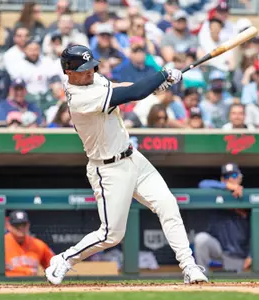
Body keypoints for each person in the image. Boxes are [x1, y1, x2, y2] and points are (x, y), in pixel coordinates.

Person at [45, 45, 208, 285]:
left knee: (167, 204)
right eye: (83, 69)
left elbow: (121, 88)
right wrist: (162, 75)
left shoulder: (94, 80)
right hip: (108, 169)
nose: (90, 72)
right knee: (111, 235)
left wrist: (154, 87)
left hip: (133, 158)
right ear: (68, 72)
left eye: (92, 67)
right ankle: (64, 259)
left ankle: (189, 266)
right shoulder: (80, 98)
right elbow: (131, 95)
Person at [195, 163, 250, 273]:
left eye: (234, 176)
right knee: (201, 239)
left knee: (235, 283)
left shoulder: (246, 195)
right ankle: (202, 275)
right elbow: (203, 184)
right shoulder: (215, 194)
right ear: (222, 179)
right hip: (218, 247)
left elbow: (256, 230)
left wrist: (251, 254)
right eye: (226, 177)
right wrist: (226, 187)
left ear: (239, 178)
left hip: (237, 253)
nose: (230, 179)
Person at [0, 210, 54, 277]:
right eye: (17, 225)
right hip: (8, 286)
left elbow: (54, 264)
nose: (21, 228)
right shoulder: (0, 243)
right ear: (9, 226)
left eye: (23, 225)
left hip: (32, 285)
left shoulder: (38, 244)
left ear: (28, 225)